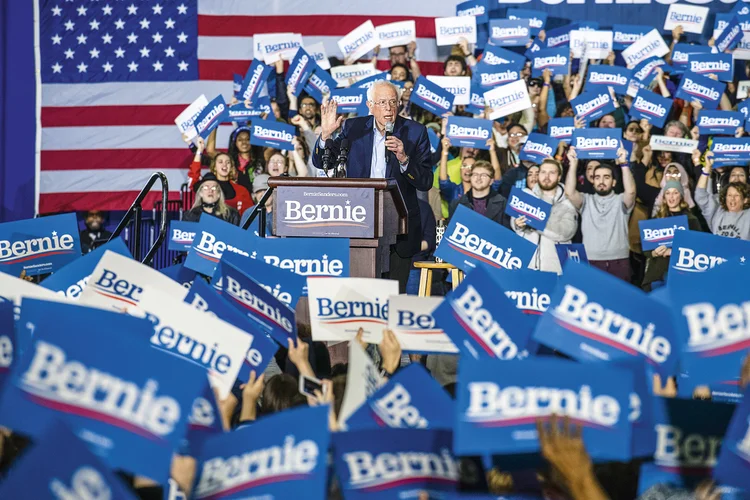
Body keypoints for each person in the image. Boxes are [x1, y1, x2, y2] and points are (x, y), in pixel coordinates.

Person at [312, 80, 433, 292]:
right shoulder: (353, 128)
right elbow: (324, 162)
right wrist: (325, 135)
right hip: (359, 223)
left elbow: (426, 182)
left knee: (393, 298)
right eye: (383, 102)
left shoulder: (415, 132)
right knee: (360, 295)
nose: (388, 108)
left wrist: (404, 159)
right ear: (370, 105)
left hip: (400, 229)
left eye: (393, 102)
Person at [565, 145, 636, 282]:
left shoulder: (621, 200)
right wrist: (573, 164)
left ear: (614, 182)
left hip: (619, 261)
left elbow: (631, 192)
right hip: (591, 260)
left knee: (618, 303)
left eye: (606, 177)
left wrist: (624, 164)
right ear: (593, 181)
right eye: (597, 177)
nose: (601, 181)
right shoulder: (586, 200)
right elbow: (569, 192)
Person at [511, 158, 578, 274]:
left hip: (555, 269)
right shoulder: (527, 196)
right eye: (543, 172)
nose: (546, 176)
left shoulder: (567, 203)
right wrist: (517, 224)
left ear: (559, 177)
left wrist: (534, 223)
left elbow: (565, 233)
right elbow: (514, 222)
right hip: (527, 266)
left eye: (552, 173)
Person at [642, 180, 703, 290]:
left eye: (675, 192)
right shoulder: (657, 219)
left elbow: (698, 248)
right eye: (668, 193)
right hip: (657, 275)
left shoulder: (691, 220)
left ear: (681, 196)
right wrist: (654, 253)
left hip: (681, 276)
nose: (671, 197)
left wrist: (675, 251)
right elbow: (646, 249)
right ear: (664, 197)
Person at [189, 138, 253, 215]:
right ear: (214, 167)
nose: (224, 165)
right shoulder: (207, 187)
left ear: (231, 167)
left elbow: (249, 215)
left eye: (228, 162)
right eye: (220, 162)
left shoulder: (241, 191)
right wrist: (199, 151)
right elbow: (194, 176)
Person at [695, 154, 750, 240]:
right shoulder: (717, 210)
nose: (732, 198)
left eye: (736, 195)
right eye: (729, 195)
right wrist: (707, 168)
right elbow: (700, 196)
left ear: (745, 200)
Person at [448, 160, 509, 228]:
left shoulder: (503, 203)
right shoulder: (456, 204)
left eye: (484, 175)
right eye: (475, 174)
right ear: (470, 178)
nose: (478, 178)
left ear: (491, 181)